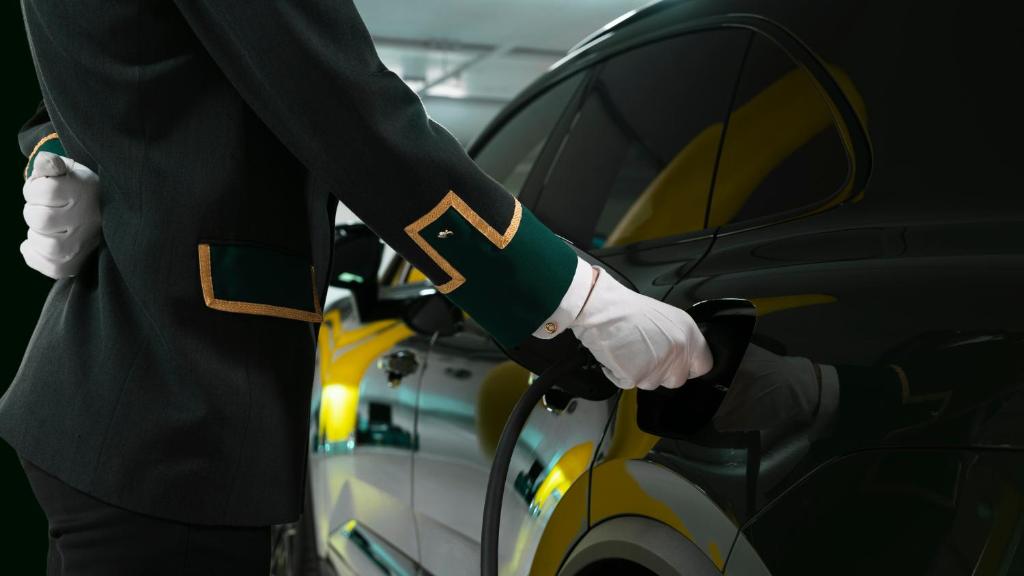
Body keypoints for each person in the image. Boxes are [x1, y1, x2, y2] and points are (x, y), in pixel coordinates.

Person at [3, 1, 713, 574]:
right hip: (172, 418)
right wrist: (575, 295)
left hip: (135, 404)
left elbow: (125, 54)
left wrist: (58, 149)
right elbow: (344, 108)